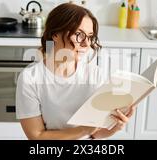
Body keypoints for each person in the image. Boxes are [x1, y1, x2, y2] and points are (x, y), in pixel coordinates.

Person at [16, 3, 136, 140]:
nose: (86, 44)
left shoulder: (96, 75)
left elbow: (95, 134)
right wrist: (84, 129)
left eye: (90, 36)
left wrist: (115, 127)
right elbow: (36, 136)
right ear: (55, 34)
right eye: (79, 34)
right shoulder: (30, 79)